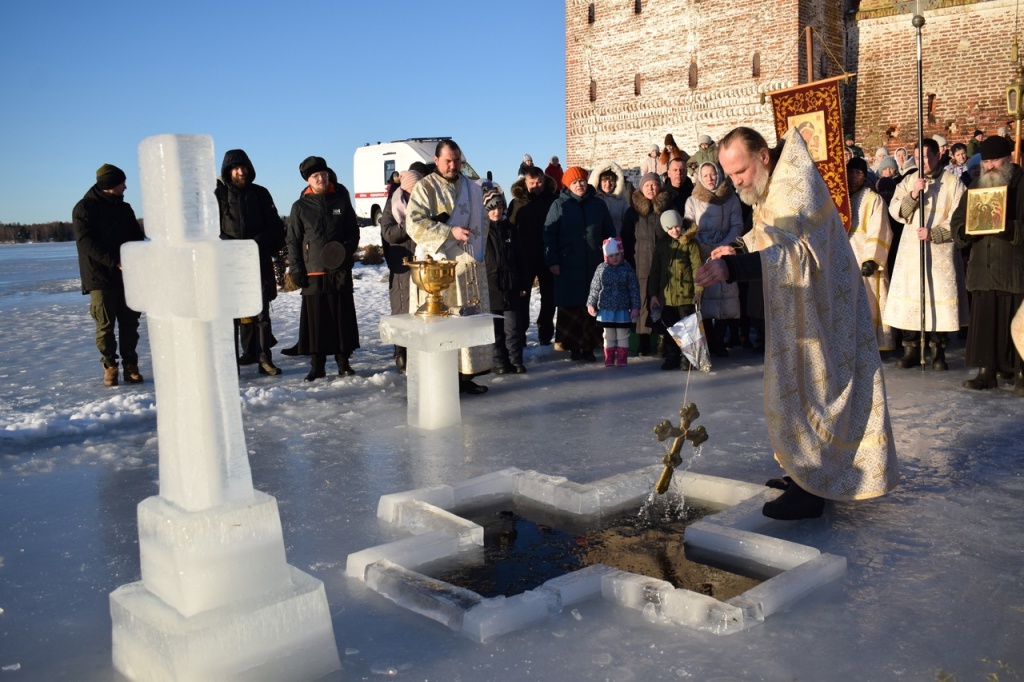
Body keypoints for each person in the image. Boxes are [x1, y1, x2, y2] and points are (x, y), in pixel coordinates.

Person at [694, 126, 899, 520]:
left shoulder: (796, 184)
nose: (735, 183)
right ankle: (803, 472)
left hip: (825, 311)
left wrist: (732, 267)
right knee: (797, 386)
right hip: (800, 307)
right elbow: (771, 232)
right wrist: (737, 245)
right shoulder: (775, 183)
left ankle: (813, 491)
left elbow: (797, 254)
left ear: (762, 157)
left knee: (817, 391)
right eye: (730, 175)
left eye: (739, 173)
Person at [406, 139, 492, 394]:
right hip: (437, 267)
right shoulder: (426, 187)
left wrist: (477, 250)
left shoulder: (473, 189)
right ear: (436, 161)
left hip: (467, 266)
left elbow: (484, 222)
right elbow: (413, 223)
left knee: (464, 324)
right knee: (440, 324)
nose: (453, 166)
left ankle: (464, 378)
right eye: (448, 161)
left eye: (457, 161)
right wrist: (448, 231)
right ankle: (438, 381)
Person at [882, 138, 968, 370]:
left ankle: (937, 350)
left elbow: (961, 216)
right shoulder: (910, 180)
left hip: (940, 251)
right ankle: (910, 348)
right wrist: (912, 195)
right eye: (919, 158)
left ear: (938, 156)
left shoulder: (953, 183)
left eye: (929, 156)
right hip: (911, 250)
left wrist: (935, 233)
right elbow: (895, 210)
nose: (924, 162)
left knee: (936, 299)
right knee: (912, 299)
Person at [952, 135, 1024, 395]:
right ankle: (986, 371)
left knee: (1017, 322)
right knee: (985, 322)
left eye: (995, 160)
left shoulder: (1021, 184)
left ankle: (1020, 372)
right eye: (987, 161)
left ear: (1008, 159)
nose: (990, 166)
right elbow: (957, 221)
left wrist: (1010, 229)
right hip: (982, 268)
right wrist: (965, 232)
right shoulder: (975, 186)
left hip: (1013, 268)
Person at [286, 156, 360, 381]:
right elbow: (293, 240)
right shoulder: (300, 207)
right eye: (316, 176)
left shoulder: (340, 198)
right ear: (308, 180)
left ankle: (343, 362)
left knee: (341, 317)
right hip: (313, 271)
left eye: (324, 174)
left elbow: (353, 232)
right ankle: (317, 366)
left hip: (339, 270)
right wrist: (296, 268)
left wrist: (345, 251)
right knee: (317, 321)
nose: (321, 178)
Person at [72, 164, 146, 386]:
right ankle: (110, 366)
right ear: (110, 185)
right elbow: (87, 243)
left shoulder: (125, 209)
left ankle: (131, 365)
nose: (125, 186)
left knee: (129, 324)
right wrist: (116, 261)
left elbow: (136, 237)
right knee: (105, 326)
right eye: (122, 182)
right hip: (100, 278)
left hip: (127, 277)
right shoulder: (84, 208)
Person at [215, 149, 286, 377]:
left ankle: (265, 360)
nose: (240, 172)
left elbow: (276, 227)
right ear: (228, 171)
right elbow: (211, 230)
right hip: (229, 264)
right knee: (231, 317)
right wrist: (230, 245)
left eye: (244, 167)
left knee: (261, 315)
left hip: (257, 261)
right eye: (236, 168)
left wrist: (256, 243)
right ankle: (230, 366)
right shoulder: (218, 196)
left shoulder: (260, 193)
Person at [543, 165, 615, 362]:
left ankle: (590, 346)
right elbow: (549, 235)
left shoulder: (598, 204)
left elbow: (609, 231)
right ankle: (573, 346)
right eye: (575, 182)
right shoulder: (559, 205)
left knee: (593, 302)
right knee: (572, 305)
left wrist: (611, 256)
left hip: (594, 261)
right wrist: (553, 261)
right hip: (568, 264)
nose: (579, 185)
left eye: (582, 181)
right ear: (568, 185)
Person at [684, 162, 742, 357]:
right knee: (705, 298)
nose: (710, 178)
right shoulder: (692, 200)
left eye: (712, 174)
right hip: (701, 254)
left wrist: (724, 245)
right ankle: (710, 340)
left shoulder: (731, 198)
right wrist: (701, 243)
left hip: (724, 254)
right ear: (700, 177)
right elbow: (689, 226)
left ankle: (720, 339)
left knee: (726, 299)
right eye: (705, 175)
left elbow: (736, 225)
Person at [379, 165, 426, 373]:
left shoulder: (426, 203)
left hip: (422, 262)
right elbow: (388, 233)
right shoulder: (393, 204)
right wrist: (409, 224)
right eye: (414, 189)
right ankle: (401, 351)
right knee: (401, 308)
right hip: (401, 264)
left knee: (422, 309)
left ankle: (421, 351)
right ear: (406, 189)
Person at [846, 156, 895, 353]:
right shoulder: (839, 199)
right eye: (850, 172)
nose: (853, 176)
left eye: (858, 173)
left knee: (869, 301)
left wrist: (871, 259)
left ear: (864, 176)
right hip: (844, 258)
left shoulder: (873, 199)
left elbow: (879, 228)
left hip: (865, 259)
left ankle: (872, 344)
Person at [508, 166, 559, 346]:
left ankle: (545, 333)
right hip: (525, 257)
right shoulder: (517, 203)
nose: (536, 186)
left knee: (549, 297)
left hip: (547, 255)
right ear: (525, 182)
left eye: (539, 183)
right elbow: (510, 229)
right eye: (532, 183)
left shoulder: (553, 200)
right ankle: (520, 335)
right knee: (523, 296)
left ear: (544, 182)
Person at [621, 172, 670, 356]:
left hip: (663, 268)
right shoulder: (632, 212)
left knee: (662, 304)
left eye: (654, 184)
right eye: (647, 184)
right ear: (641, 187)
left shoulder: (666, 209)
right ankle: (642, 343)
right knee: (641, 304)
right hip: (639, 265)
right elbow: (626, 238)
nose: (651, 188)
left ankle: (661, 342)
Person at [648, 210, 703, 371]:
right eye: (670, 228)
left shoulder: (690, 243)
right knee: (670, 329)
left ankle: (688, 358)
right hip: (667, 297)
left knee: (687, 330)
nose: (675, 231)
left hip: (686, 295)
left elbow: (697, 267)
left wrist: (698, 290)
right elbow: (655, 270)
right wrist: (653, 294)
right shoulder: (661, 245)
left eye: (677, 227)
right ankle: (671, 356)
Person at [484, 186, 530, 374]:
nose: (496, 212)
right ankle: (499, 361)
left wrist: (524, 283)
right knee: (495, 330)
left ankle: (515, 359)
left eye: (499, 207)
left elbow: (521, 258)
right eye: (492, 208)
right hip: (491, 287)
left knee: (513, 328)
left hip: (511, 285)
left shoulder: (511, 230)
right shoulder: (482, 233)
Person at [587, 237, 640, 367]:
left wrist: (635, 307)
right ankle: (609, 357)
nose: (615, 258)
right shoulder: (601, 269)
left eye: (617, 254)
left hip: (622, 308)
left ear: (621, 254)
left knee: (622, 334)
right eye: (611, 255)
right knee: (608, 334)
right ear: (606, 256)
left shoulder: (627, 268)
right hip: (606, 308)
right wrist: (591, 303)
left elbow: (634, 289)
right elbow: (595, 288)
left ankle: (622, 357)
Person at [589, 161, 631, 235]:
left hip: (617, 240)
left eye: (611, 181)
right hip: (598, 241)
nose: (608, 184)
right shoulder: (592, 200)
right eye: (604, 181)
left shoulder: (622, 200)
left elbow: (628, 222)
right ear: (598, 182)